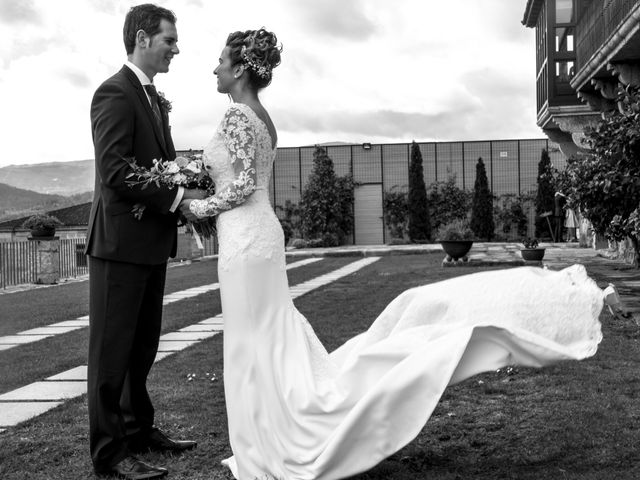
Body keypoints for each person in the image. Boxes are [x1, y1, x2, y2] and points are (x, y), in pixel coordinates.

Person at [180, 29, 609, 480]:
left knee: (254, 338)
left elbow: (243, 185)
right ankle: (266, 431)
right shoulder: (263, 118)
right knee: (263, 335)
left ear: (240, 68)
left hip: (245, 239)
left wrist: (195, 207)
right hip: (257, 237)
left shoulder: (235, 118)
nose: (215, 68)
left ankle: (269, 438)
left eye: (220, 61)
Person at [87, 4, 203, 479]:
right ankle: (110, 455)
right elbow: (115, 172)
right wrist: (177, 196)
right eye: (169, 40)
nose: (176, 48)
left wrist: (185, 182)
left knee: (142, 348)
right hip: (118, 246)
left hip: (150, 245)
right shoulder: (114, 93)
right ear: (141, 38)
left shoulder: (153, 98)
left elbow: (156, 163)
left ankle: (138, 431)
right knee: (111, 355)